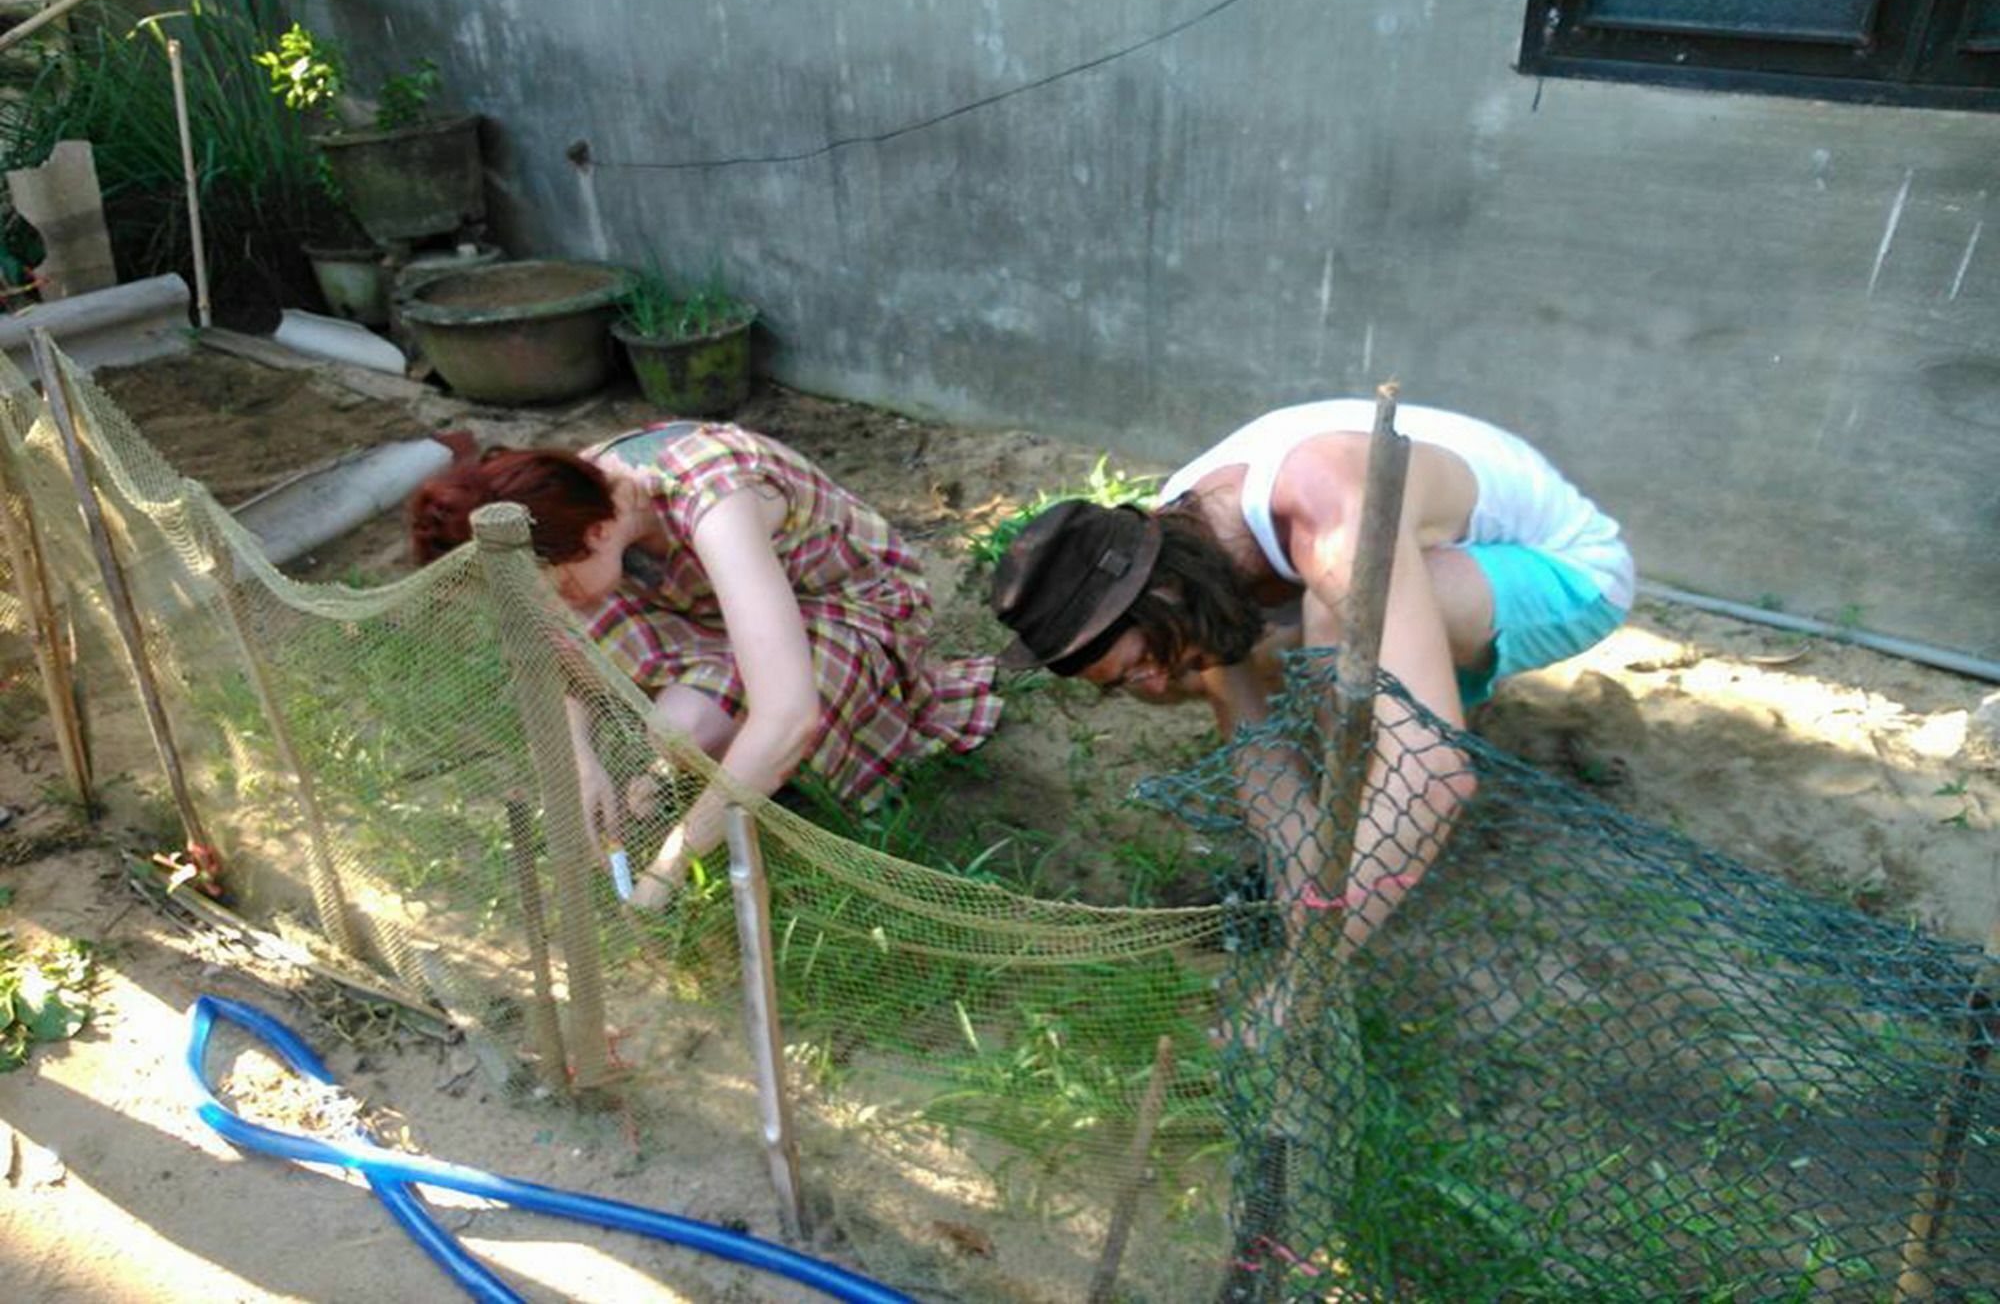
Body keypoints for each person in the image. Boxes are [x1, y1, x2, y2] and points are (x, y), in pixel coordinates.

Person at [990, 397, 1632, 969]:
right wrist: (1304, 893)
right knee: (1268, 651)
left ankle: (1395, 763)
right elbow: (1254, 742)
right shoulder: (1179, 547)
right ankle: (1351, 837)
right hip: (1405, 562)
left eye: (1142, 662)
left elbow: (1437, 774)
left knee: (1338, 630)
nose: (1153, 688)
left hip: (1573, 573)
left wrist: (1304, 975)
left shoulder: (1330, 528)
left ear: (1158, 591)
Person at [410, 422, 1002, 908]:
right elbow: (556, 637)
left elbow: (787, 713)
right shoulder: (570, 498)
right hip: (717, 608)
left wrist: (667, 871)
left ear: (596, 532)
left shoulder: (717, 505)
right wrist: (580, 758)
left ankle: (758, 778)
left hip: (838, 607)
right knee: (681, 731)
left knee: (709, 730)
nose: (561, 605)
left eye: (560, 587)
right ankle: (720, 771)